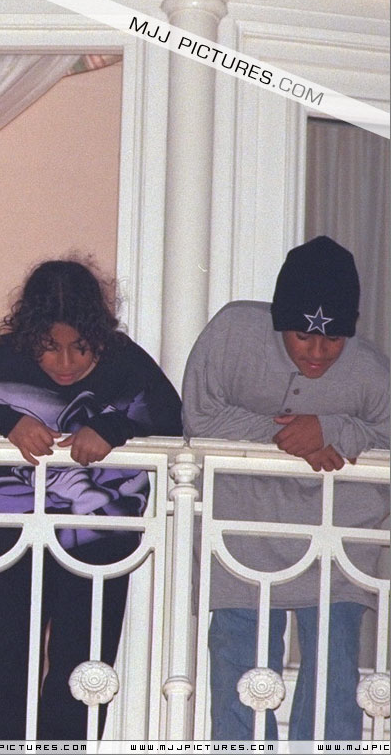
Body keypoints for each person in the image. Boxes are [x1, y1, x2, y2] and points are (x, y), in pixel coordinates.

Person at [0, 259, 183, 740]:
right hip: (24, 535)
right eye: (50, 348)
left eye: (80, 347)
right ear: (28, 337)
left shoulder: (125, 361)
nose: (66, 363)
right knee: (12, 648)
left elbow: (175, 422)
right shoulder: (4, 357)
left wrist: (114, 427)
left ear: (99, 336)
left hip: (104, 537)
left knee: (85, 662)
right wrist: (3, 421)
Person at [182, 236, 389, 741]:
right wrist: (289, 438)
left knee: (333, 670)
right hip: (242, 529)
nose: (318, 352)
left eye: (333, 339)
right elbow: (199, 418)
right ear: (280, 321)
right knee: (240, 669)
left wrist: (333, 429)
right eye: (303, 335)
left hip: (338, 534)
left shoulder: (370, 369)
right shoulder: (232, 334)